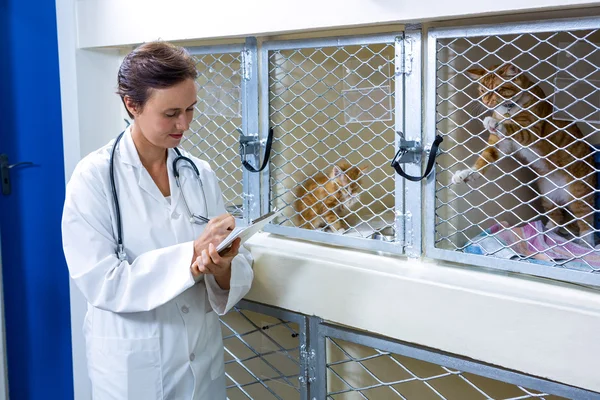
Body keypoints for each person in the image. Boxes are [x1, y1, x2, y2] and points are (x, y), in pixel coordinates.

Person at [61, 41, 254, 399]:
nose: (184, 124)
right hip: (135, 372)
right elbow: (102, 282)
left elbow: (227, 274)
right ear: (131, 105)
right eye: (171, 113)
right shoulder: (93, 178)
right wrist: (191, 260)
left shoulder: (199, 173)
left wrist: (222, 266)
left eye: (191, 109)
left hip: (202, 363)